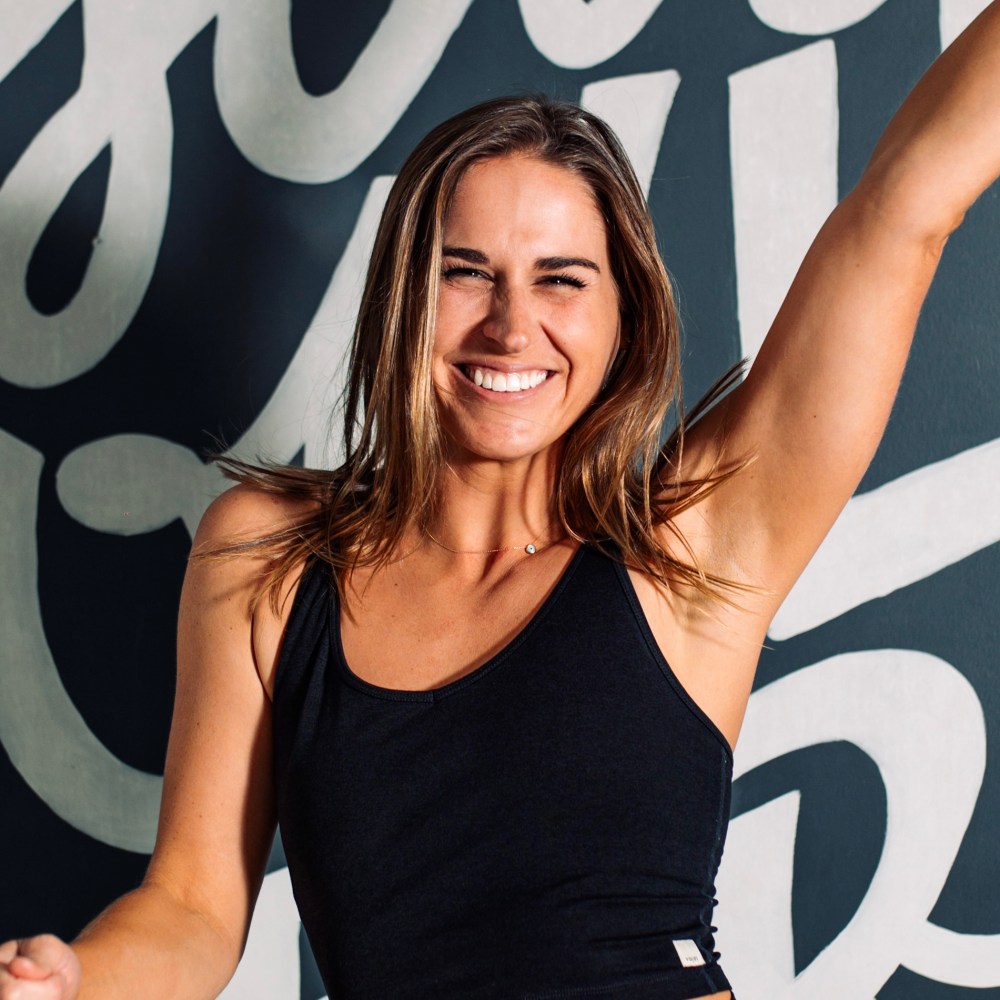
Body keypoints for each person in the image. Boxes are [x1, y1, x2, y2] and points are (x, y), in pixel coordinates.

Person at [4, 4, 1000, 997]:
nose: (511, 326)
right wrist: (79, 978)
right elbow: (190, 907)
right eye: (466, 274)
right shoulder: (265, 562)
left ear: (624, 315)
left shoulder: (694, 547)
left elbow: (902, 207)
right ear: (401, 295)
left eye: (561, 280)